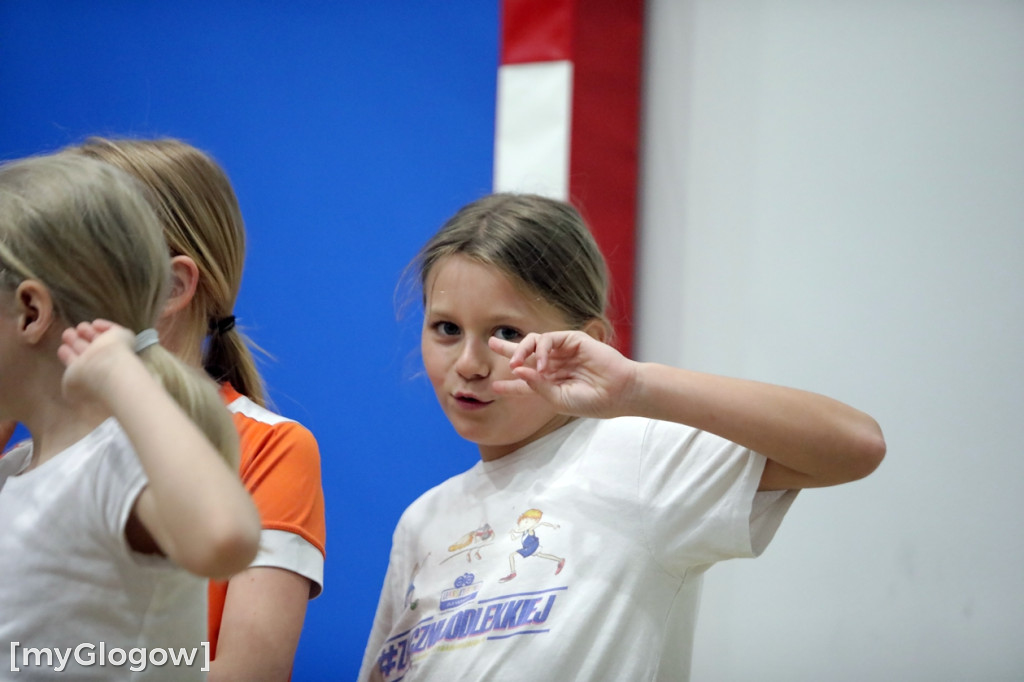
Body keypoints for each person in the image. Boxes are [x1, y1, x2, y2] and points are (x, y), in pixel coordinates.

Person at [359, 193, 886, 681]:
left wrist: (635, 385)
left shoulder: (634, 458)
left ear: (583, 341)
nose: (469, 364)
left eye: (507, 334)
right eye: (446, 329)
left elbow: (855, 445)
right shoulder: (422, 522)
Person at [69, 137, 327, 680]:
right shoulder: (29, 459)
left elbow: (248, 672)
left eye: (71, 257)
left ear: (171, 287)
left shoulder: (270, 447)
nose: (37, 288)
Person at [0, 152, 261, 678]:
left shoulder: (114, 460)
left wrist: (124, 378)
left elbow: (224, 535)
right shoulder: (14, 473)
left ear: (31, 312)